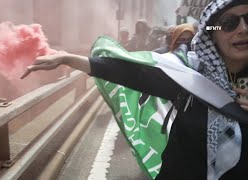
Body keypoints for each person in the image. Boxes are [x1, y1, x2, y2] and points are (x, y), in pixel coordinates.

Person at [21, 0, 248, 179]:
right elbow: (132, 73)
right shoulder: (188, 73)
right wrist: (69, 59)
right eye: (229, 23)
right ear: (213, 33)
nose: (243, 29)